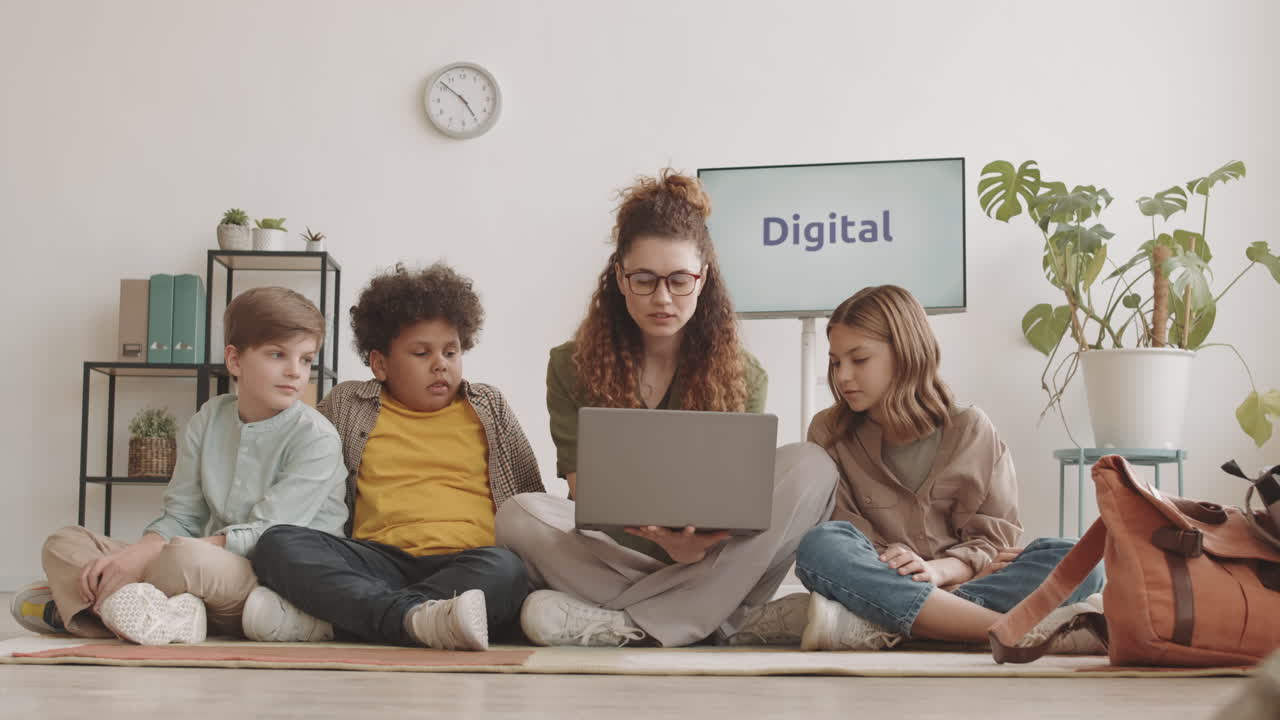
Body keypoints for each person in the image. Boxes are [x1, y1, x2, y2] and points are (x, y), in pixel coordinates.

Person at [495, 169, 838, 648]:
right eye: (644, 279)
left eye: (679, 280)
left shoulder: (745, 374)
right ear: (619, 277)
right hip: (618, 559)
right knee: (517, 514)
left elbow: (740, 508)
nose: (662, 298)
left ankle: (631, 623)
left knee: (813, 467)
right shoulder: (570, 366)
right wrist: (666, 542)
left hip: (715, 557)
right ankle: (717, 619)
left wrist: (694, 545)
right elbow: (586, 494)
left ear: (703, 280)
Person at [16, 287, 347, 645]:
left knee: (184, 557)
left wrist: (146, 559)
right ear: (235, 361)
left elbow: (267, 536)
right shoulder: (209, 418)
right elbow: (181, 515)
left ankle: (85, 608)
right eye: (277, 354)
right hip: (200, 564)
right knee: (64, 541)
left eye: (306, 359)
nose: (295, 372)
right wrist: (134, 556)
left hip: (269, 579)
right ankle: (153, 612)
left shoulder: (317, 438)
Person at [246, 263, 544, 651]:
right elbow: (303, 468)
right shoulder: (347, 404)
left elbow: (529, 499)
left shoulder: (488, 405)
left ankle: (354, 619)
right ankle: (418, 618)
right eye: (421, 352)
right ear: (380, 363)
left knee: (507, 571)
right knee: (277, 543)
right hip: (375, 562)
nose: (441, 364)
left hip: (468, 563)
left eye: (451, 351)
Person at [793, 284, 1105, 652]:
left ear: (907, 354)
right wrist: (904, 571)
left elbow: (994, 539)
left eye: (858, 360)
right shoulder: (829, 432)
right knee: (821, 546)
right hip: (883, 578)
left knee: (1081, 559)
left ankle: (890, 624)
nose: (843, 376)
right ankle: (1002, 628)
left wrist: (941, 571)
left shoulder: (970, 429)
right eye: (835, 362)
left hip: (955, 582)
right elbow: (847, 539)